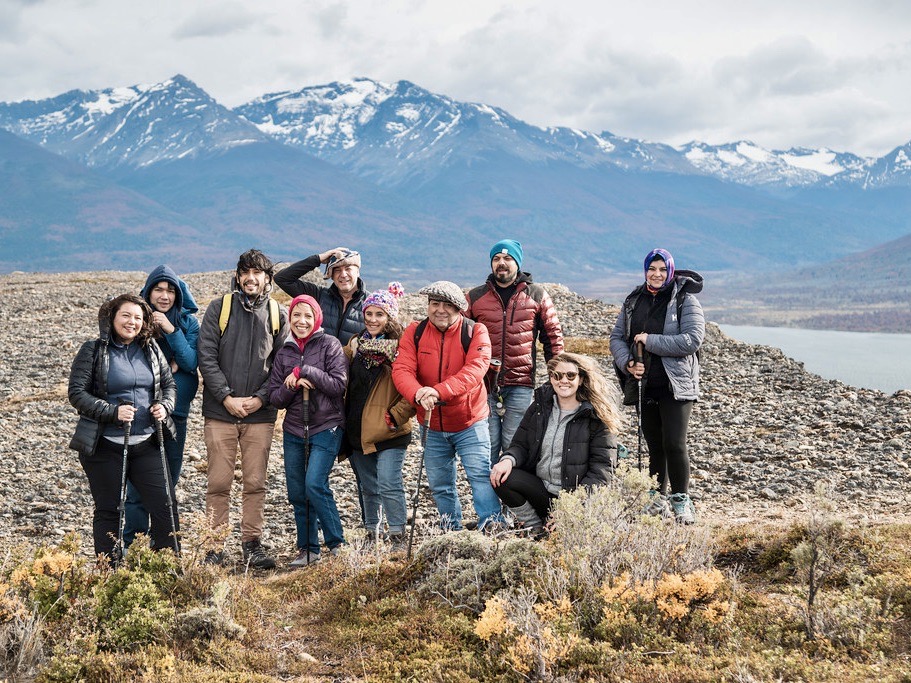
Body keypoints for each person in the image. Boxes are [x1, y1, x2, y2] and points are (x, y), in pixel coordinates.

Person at [68, 294, 178, 561]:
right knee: (109, 510)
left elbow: (169, 386)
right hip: (105, 445)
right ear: (112, 317)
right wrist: (112, 412)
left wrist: (164, 406)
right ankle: (109, 573)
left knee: (166, 507)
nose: (132, 322)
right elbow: (77, 393)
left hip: (148, 442)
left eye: (138, 318)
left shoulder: (151, 349)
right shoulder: (93, 350)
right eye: (126, 316)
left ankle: (166, 568)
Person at [197, 249, 289, 568]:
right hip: (220, 411)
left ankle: (252, 543)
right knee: (219, 482)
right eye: (245, 272)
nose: (251, 278)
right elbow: (205, 356)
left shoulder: (278, 314)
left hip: (260, 414)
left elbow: (282, 363)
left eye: (258, 273)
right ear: (238, 277)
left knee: (255, 482)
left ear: (267, 278)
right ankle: (214, 547)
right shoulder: (219, 309)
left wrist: (261, 399)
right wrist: (225, 397)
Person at [392, 280, 503, 531]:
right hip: (431, 425)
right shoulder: (414, 332)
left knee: (480, 477)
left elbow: (474, 371)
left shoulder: (476, 332)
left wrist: (437, 390)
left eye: (447, 305)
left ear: (459, 309)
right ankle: (450, 531)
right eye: (435, 304)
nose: (440, 310)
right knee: (440, 484)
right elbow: (401, 369)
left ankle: (493, 527)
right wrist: (418, 393)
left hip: (470, 422)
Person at [609, 248, 705, 524]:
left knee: (674, 443)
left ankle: (681, 500)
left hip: (676, 385)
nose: (657, 274)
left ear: (671, 271)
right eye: (652, 269)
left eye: (662, 269)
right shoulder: (633, 300)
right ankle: (656, 499)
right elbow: (617, 337)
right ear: (645, 271)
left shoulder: (685, 301)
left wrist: (649, 340)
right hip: (645, 384)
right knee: (654, 445)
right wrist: (628, 362)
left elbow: (691, 340)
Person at [489, 352, 621, 533]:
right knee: (502, 477)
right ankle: (535, 527)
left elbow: (602, 472)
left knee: (566, 537)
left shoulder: (596, 418)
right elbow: (521, 445)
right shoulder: (539, 408)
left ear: (581, 379)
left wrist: (571, 508)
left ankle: (561, 526)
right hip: (542, 492)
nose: (563, 381)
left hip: (576, 499)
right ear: (551, 378)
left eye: (571, 375)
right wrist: (507, 460)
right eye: (557, 375)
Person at [466, 239, 564, 464]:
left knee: (514, 444)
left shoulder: (536, 295)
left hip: (520, 383)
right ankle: (488, 498)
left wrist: (557, 376)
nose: (502, 263)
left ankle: (512, 498)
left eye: (508, 258)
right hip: (483, 383)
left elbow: (553, 338)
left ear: (517, 263)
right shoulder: (474, 297)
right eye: (496, 259)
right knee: (485, 445)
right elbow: (460, 337)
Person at [268, 295, 348, 567]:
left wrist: (307, 371)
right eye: (296, 316)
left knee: (314, 483)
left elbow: (338, 385)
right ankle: (308, 549)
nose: (302, 321)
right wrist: (291, 384)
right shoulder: (284, 352)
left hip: (327, 426)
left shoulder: (330, 345)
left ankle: (337, 544)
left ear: (317, 319)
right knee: (297, 492)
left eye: (308, 316)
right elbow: (275, 398)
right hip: (293, 428)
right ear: (289, 318)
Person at [123, 265, 199, 549]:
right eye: (159, 289)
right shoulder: (138, 321)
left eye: (170, 290)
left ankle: (163, 549)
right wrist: (170, 368)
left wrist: (169, 329)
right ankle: (132, 546)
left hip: (176, 416)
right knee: (136, 488)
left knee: (168, 484)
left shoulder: (188, 324)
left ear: (178, 294)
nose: (164, 295)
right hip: (142, 416)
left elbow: (191, 363)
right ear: (149, 291)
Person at [342, 283, 415, 543]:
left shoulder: (402, 349)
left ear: (390, 316)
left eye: (379, 314)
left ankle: (397, 533)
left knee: (388, 483)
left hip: (389, 429)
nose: (373, 320)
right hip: (358, 429)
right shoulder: (355, 344)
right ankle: (372, 532)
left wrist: (396, 415)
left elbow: (413, 389)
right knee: (368, 487)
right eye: (369, 314)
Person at [274, 247, 367, 344]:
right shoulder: (318, 296)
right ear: (331, 275)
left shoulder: (371, 303)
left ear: (357, 272)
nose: (343, 274)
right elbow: (282, 279)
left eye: (348, 269)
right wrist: (318, 259)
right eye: (337, 270)